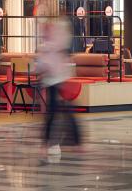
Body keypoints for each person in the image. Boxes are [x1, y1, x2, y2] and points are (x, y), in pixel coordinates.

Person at [37, 18, 81, 157]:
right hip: (54, 80)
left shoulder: (50, 45)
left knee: (59, 111)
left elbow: (41, 65)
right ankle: (73, 143)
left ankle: (73, 142)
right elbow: (42, 65)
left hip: (58, 80)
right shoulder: (48, 46)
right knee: (58, 111)